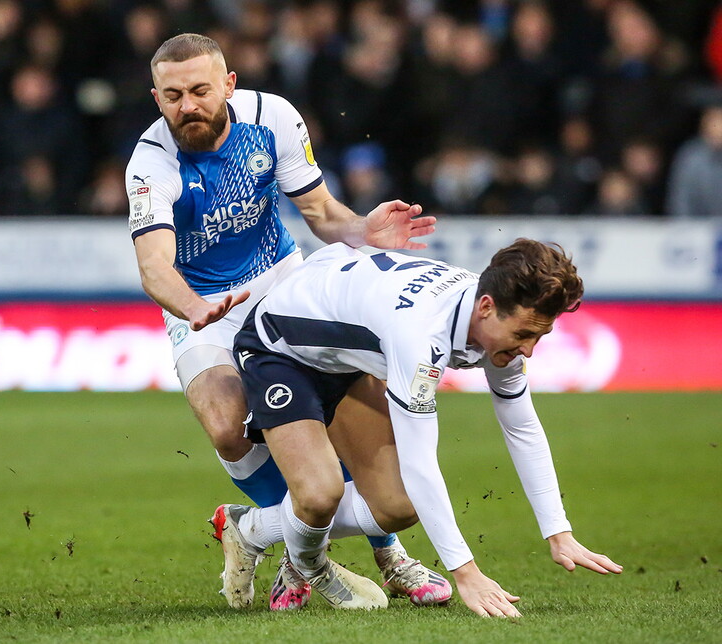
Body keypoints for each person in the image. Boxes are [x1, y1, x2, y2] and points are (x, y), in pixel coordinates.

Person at [125, 33, 446, 611]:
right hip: (202, 308)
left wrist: (362, 232)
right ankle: (304, 554)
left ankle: (385, 550)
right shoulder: (151, 165)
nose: (188, 106)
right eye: (173, 96)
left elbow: (321, 212)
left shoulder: (273, 118)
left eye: (200, 90)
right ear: (156, 97)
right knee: (226, 424)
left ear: (229, 85)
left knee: (343, 409)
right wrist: (196, 310)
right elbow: (154, 268)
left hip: (282, 283)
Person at [211, 239, 622, 615]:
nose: (529, 350)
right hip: (281, 346)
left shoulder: (492, 318)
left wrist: (558, 532)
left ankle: (250, 528)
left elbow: (522, 428)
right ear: (485, 308)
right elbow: (420, 460)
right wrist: (466, 572)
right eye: (524, 334)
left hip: (351, 355)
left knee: (398, 506)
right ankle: (307, 564)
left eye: (541, 335)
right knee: (319, 496)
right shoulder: (422, 336)